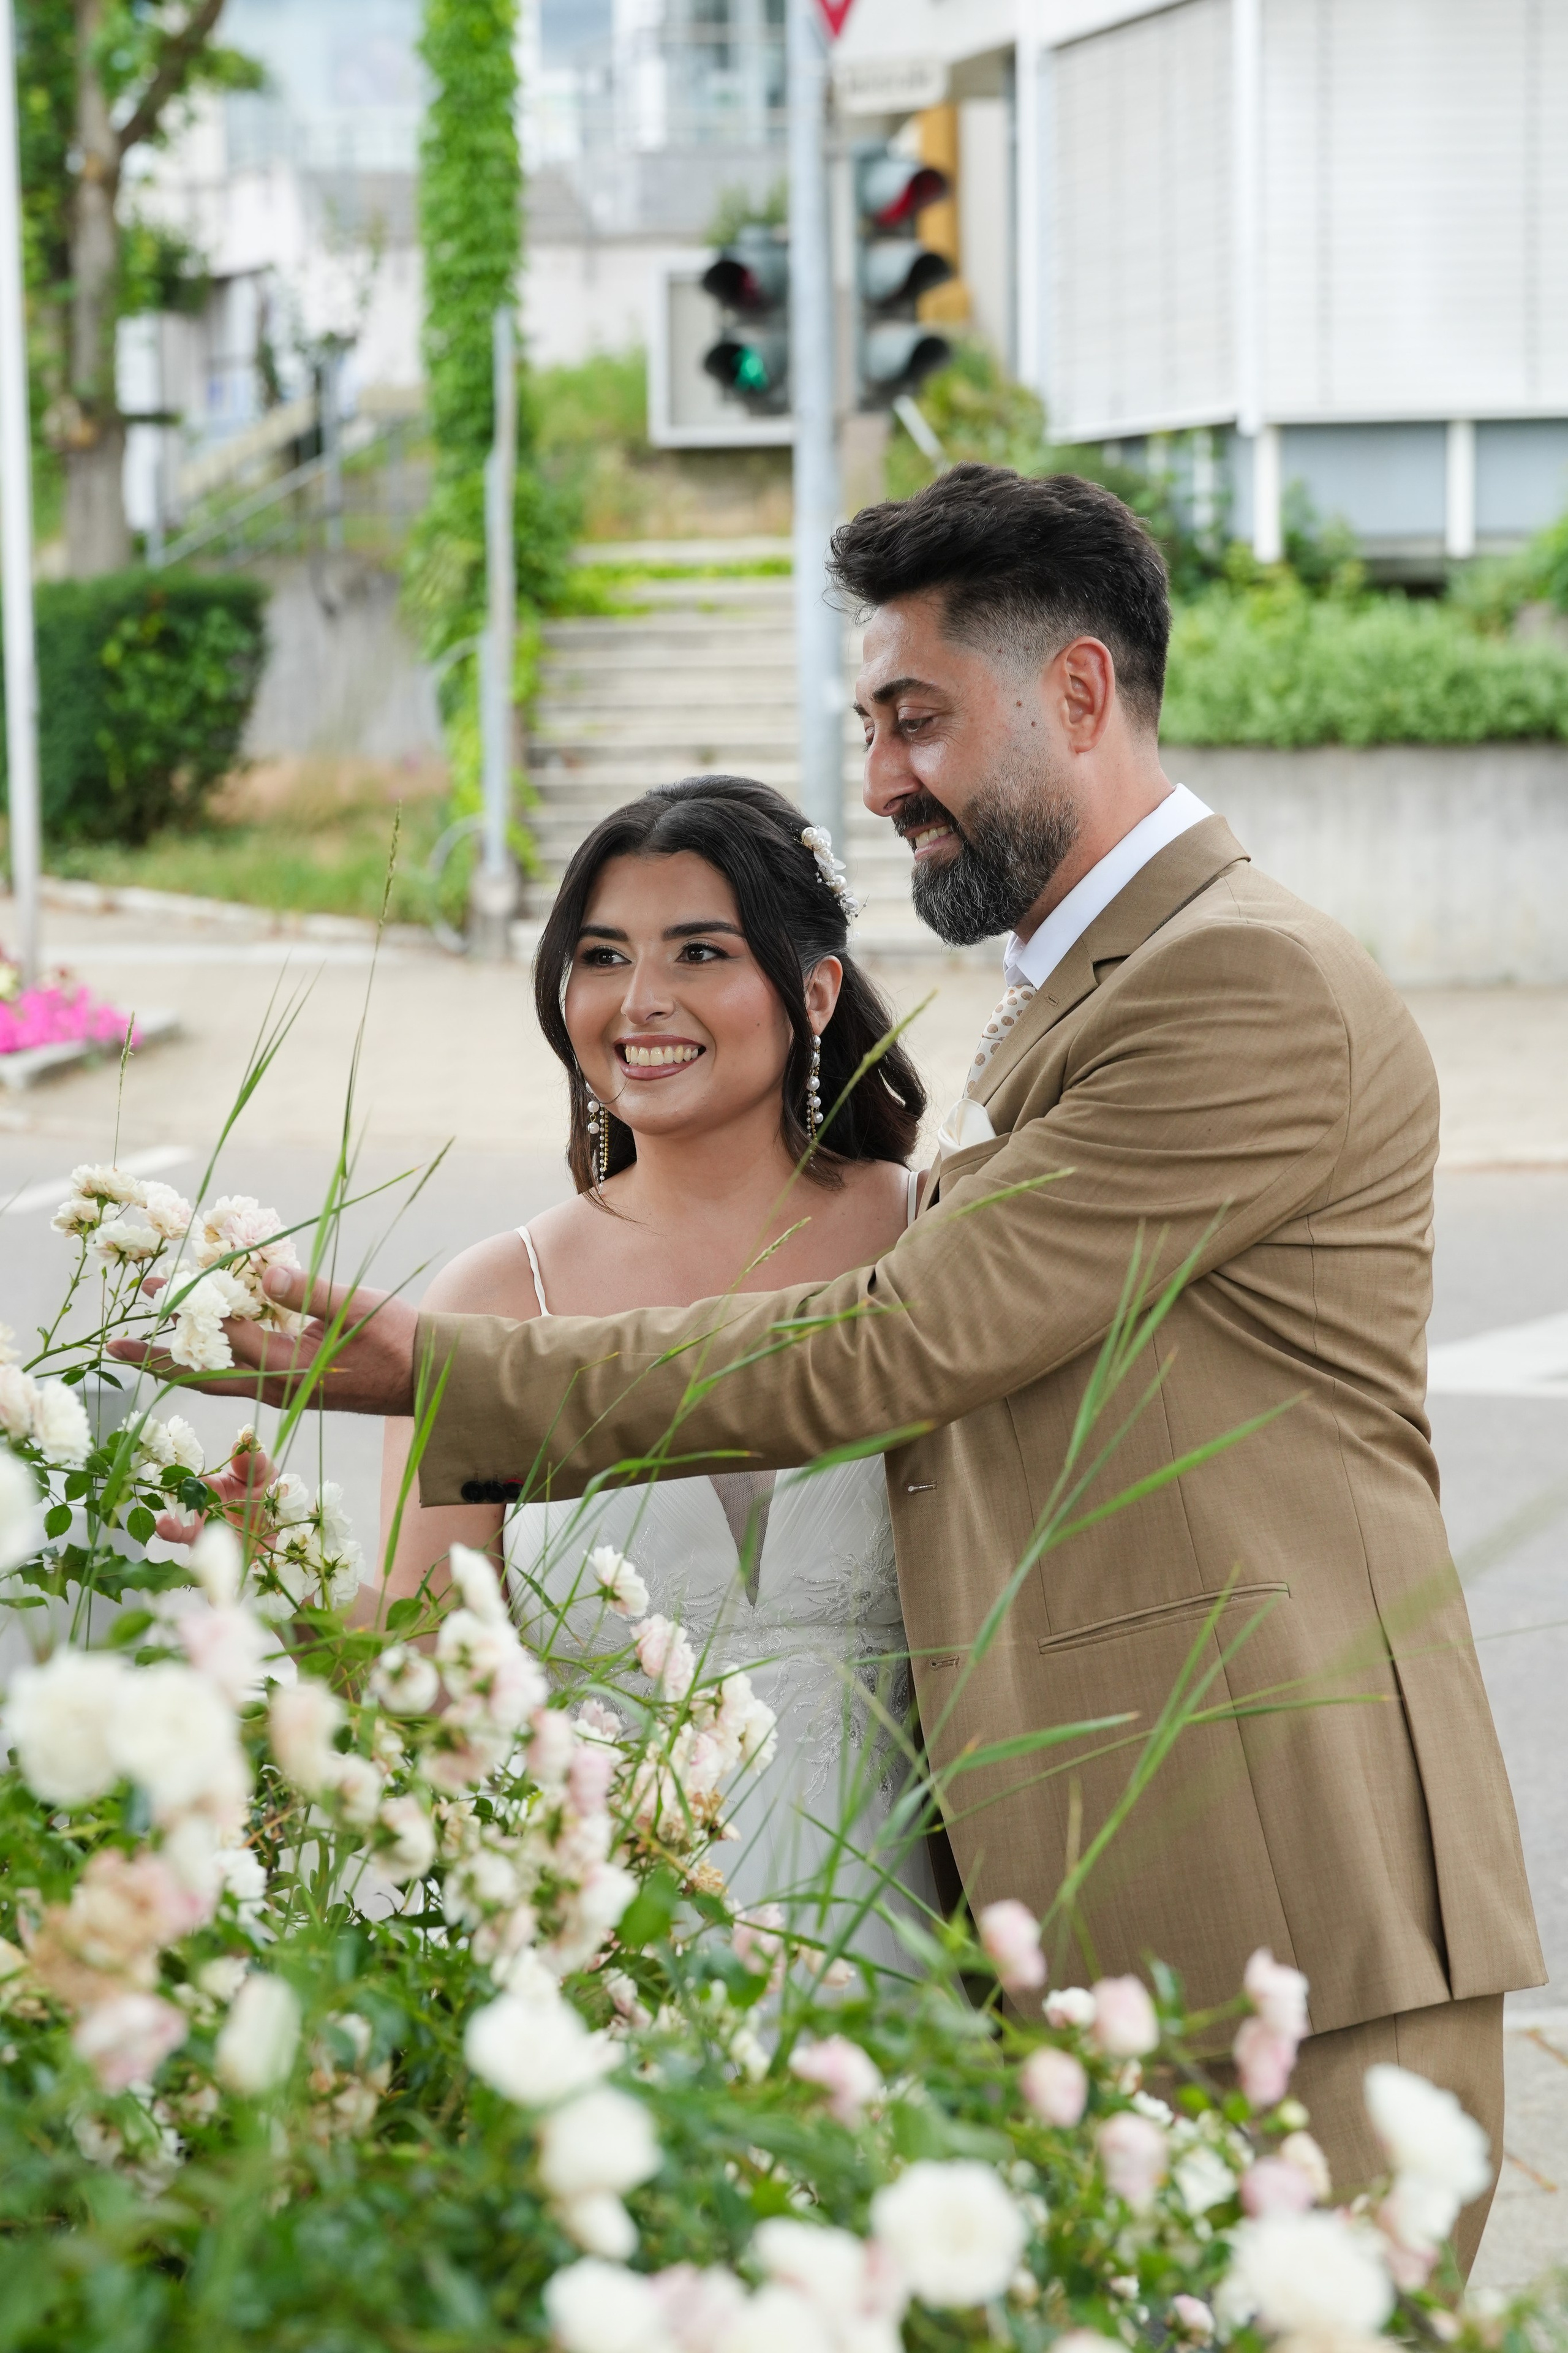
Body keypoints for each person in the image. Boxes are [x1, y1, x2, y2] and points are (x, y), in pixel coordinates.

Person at [121, 466, 1543, 2266]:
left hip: (1266, 1893)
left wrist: (439, 1372)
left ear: (1081, 693)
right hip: (1078, 1931)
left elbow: (909, 1340)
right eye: (868, 726)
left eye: (915, 719)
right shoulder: (1101, 985)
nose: (880, 782)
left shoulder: (1228, 983)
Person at [377, 775, 938, 1964]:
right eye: (601, 956)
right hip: (600, 1985)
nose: (640, 1002)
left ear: (816, 989)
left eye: (698, 952)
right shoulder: (493, 1299)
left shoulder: (933, 1242)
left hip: (906, 1971)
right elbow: (418, 1687)